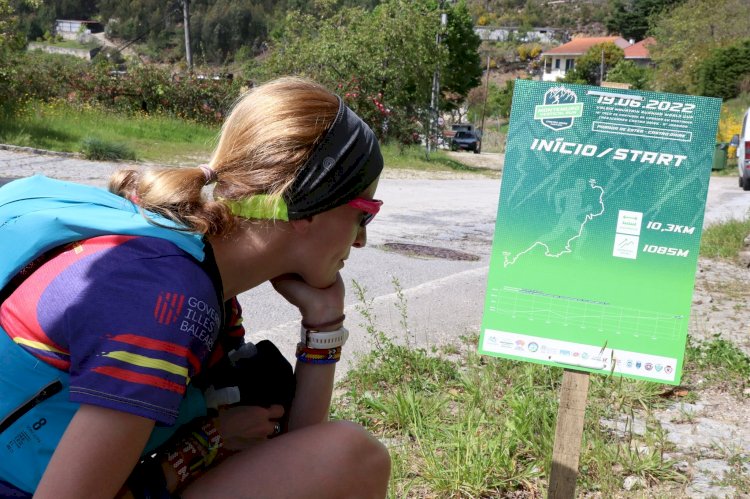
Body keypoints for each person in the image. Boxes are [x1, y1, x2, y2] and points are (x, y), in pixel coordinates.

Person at [0, 76, 390, 498]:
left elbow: (304, 459)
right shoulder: (166, 299)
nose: (361, 240)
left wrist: (324, 324)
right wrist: (201, 448)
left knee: (340, 455)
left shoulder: (194, 268)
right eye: (363, 214)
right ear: (309, 205)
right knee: (355, 454)